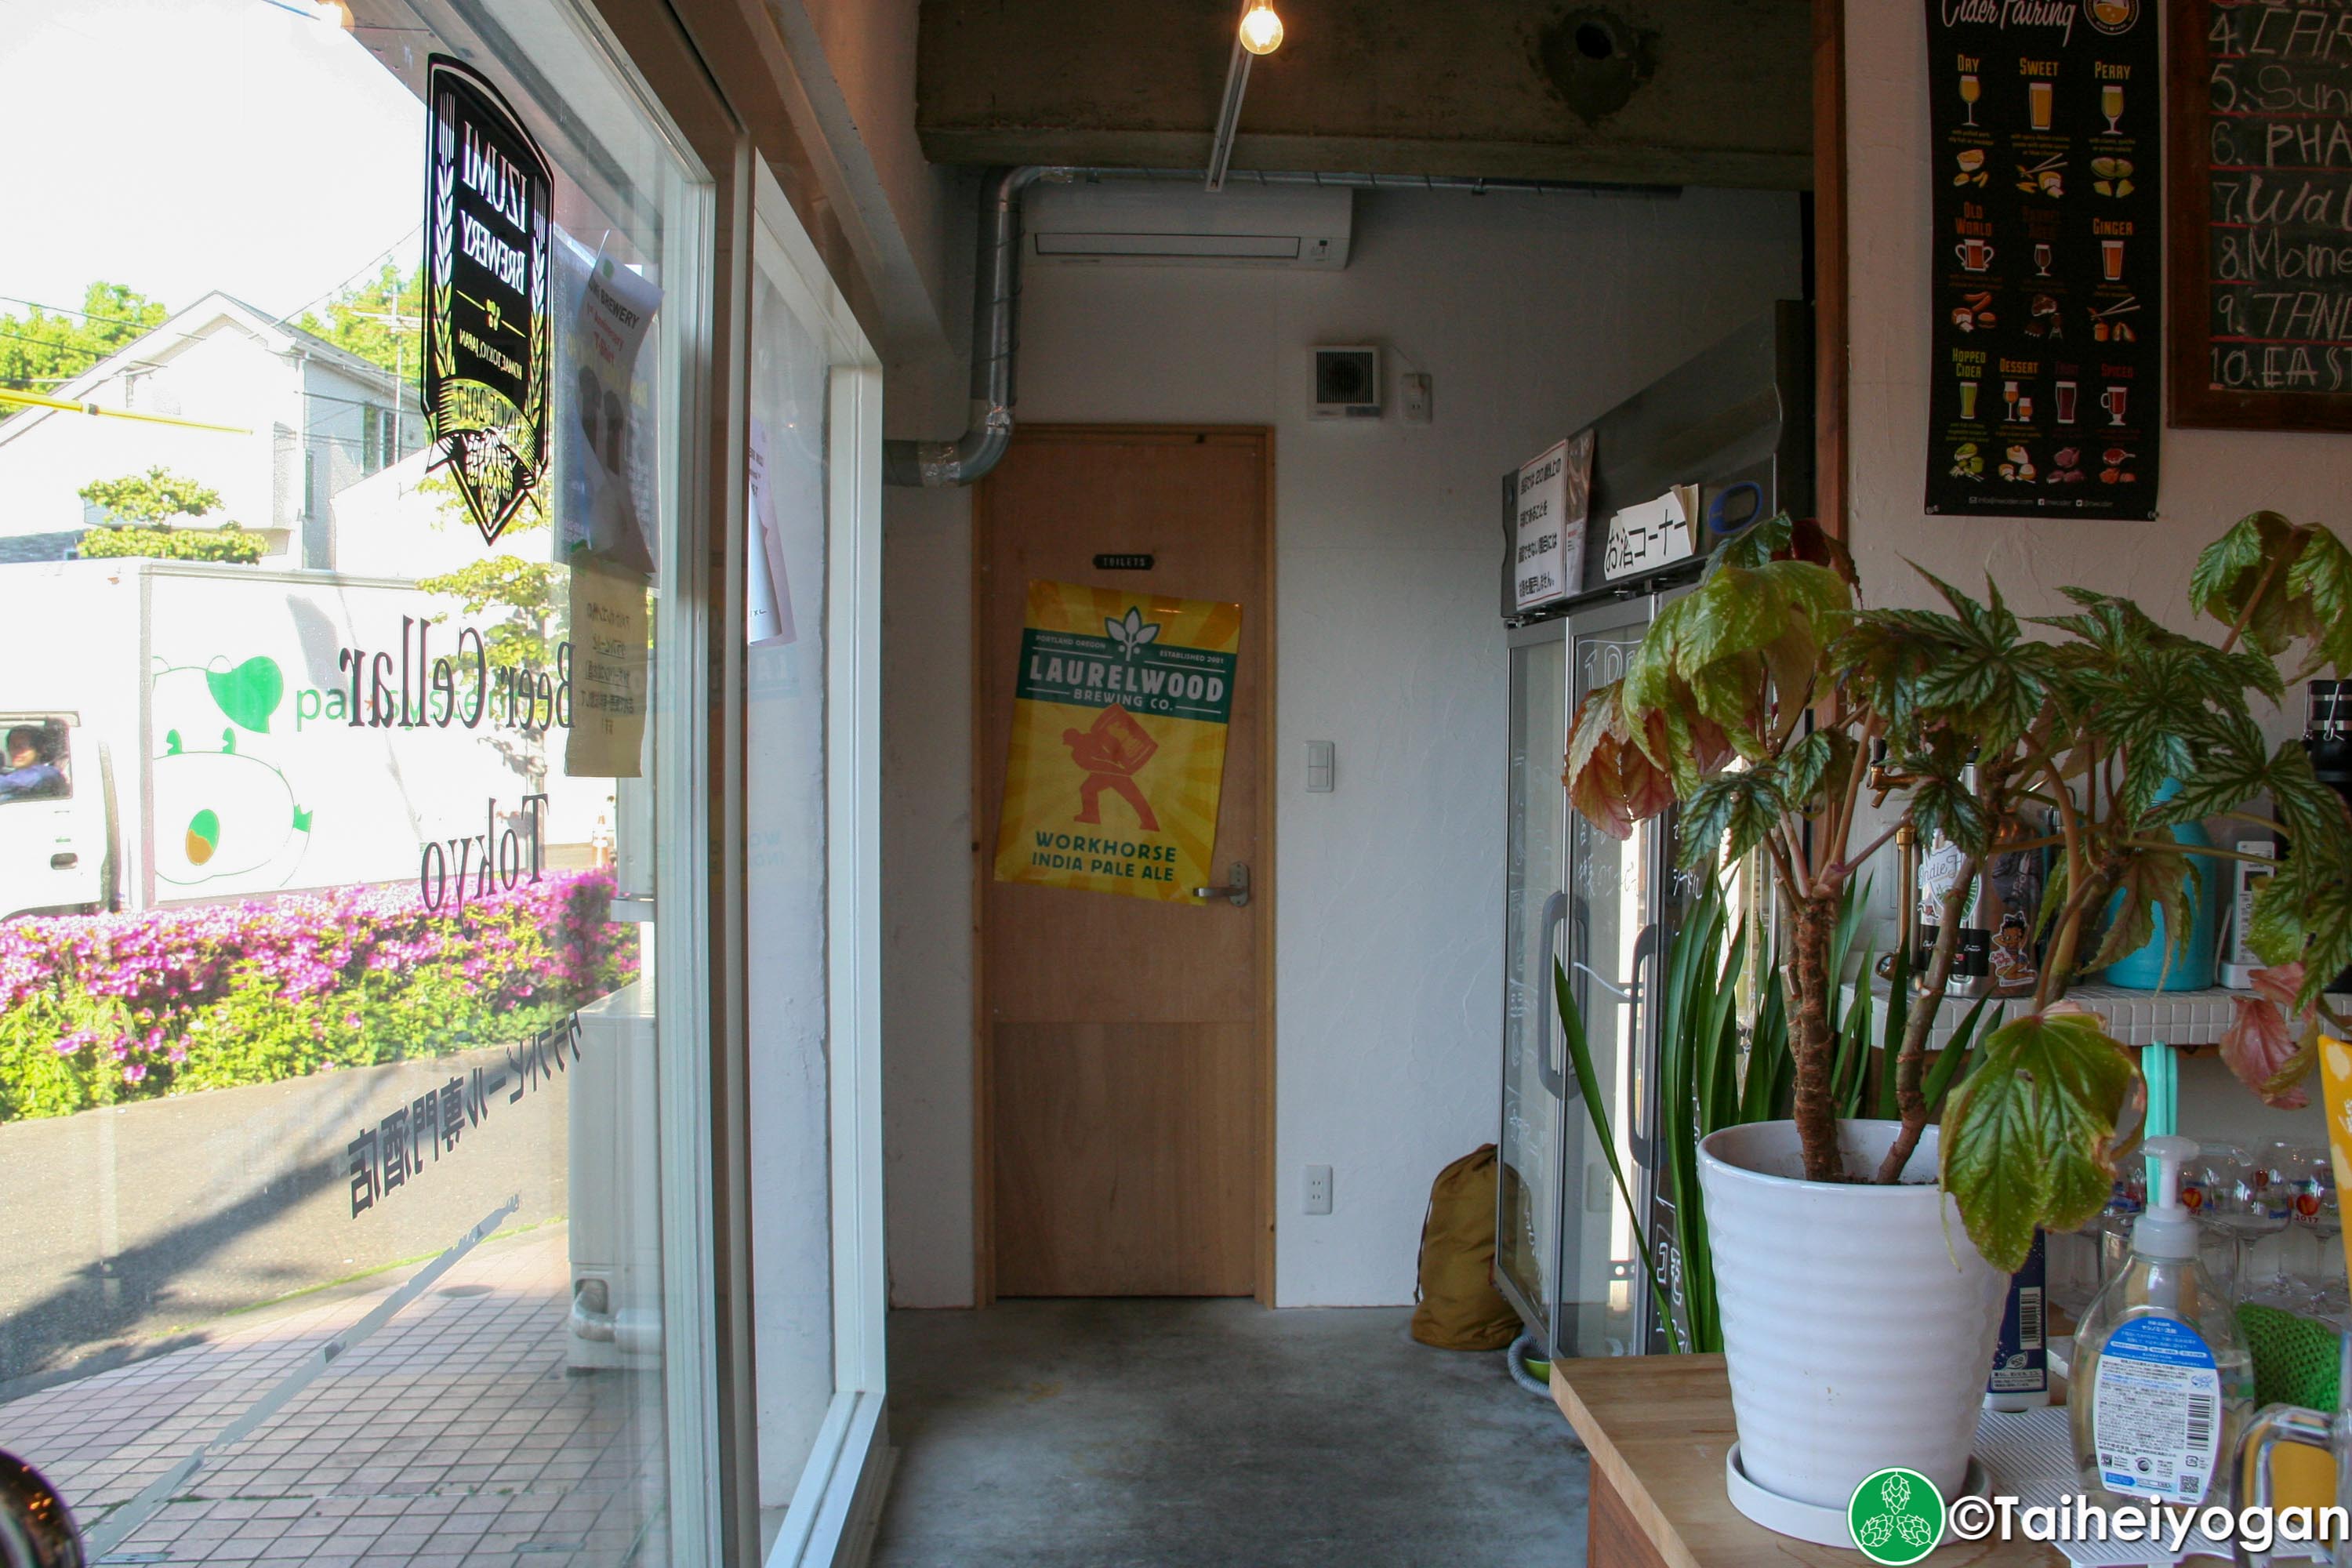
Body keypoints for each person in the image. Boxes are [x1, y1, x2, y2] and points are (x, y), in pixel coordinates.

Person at [0, 727, 67, 802]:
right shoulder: (15, 776)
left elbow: (10, 783)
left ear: (40, 749)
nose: (15, 751)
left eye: (23, 745)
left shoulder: (44, 773)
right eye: (12, 746)